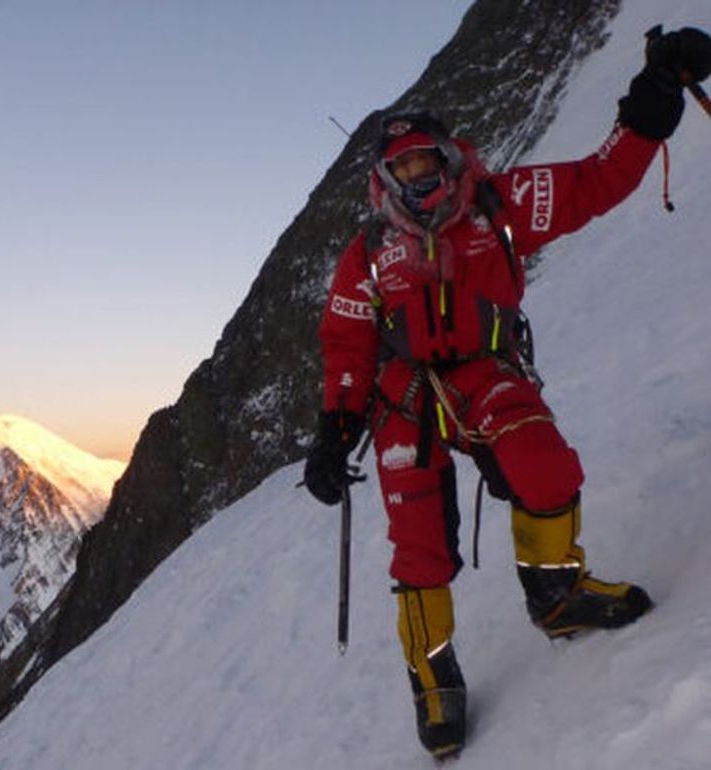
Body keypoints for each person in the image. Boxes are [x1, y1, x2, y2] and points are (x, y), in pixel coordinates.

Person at [303, 26, 711, 760]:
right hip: (404, 398)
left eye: (428, 159)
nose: (420, 176)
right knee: (418, 547)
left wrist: (654, 97)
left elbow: (598, 180)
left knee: (547, 465)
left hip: (490, 373)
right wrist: (333, 428)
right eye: (404, 166)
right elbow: (346, 343)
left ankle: (558, 596)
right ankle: (433, 682)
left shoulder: (499, 203)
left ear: (450, 154)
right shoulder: (366, 254)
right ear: (385, 178)